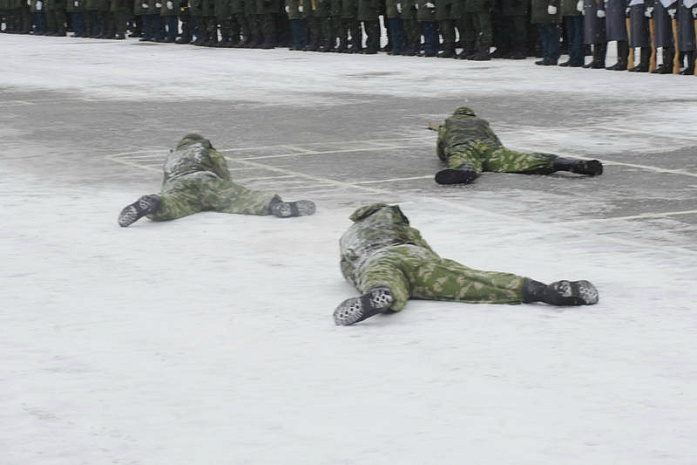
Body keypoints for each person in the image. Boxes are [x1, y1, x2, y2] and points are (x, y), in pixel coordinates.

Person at [333, 203, 599, 326]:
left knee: (383, 282)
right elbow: (427, 252)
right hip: (409, 253)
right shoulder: (397, 225)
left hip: (372, 261)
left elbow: (348, 269)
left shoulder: (348, 236)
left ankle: (383, 295)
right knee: (473, 280)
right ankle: (547, 291)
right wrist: (434, 268)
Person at [118, 134, 316, 227]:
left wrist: (163, 195)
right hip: (205, 179)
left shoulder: (173, 155)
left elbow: (166, 180)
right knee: (243, 197)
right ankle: (275, 206)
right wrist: (224, 188)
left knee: (173, 205)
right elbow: (221, 170)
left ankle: (153, 204)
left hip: (178, 184)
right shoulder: (205, 151)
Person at [431, 106, 603, 185]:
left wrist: (445, 154)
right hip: (488, 146)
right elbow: (495, 139)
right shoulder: (481, 122)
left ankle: (466, 171)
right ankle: (567, 163)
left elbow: (441, 147)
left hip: (463, 145)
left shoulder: (448, 123)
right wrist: (499, 153)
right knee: (522, 160)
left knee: (462, 160)